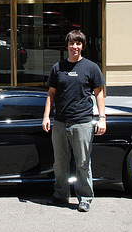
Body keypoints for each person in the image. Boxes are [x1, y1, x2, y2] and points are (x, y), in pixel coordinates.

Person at [42, 30, 106, 212]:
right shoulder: (58, 67)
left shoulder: (91, 67)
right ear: (67, 45)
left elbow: (99, 93)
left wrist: (102, 118)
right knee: (59, 163)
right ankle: (60, 194)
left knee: (82, 163)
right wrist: (46, 116)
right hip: (60, 123)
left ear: (82, 46)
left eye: (78, 43)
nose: (74, 47)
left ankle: (85, 197)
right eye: (72, 43)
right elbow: (51, 94)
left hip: (83, 122)